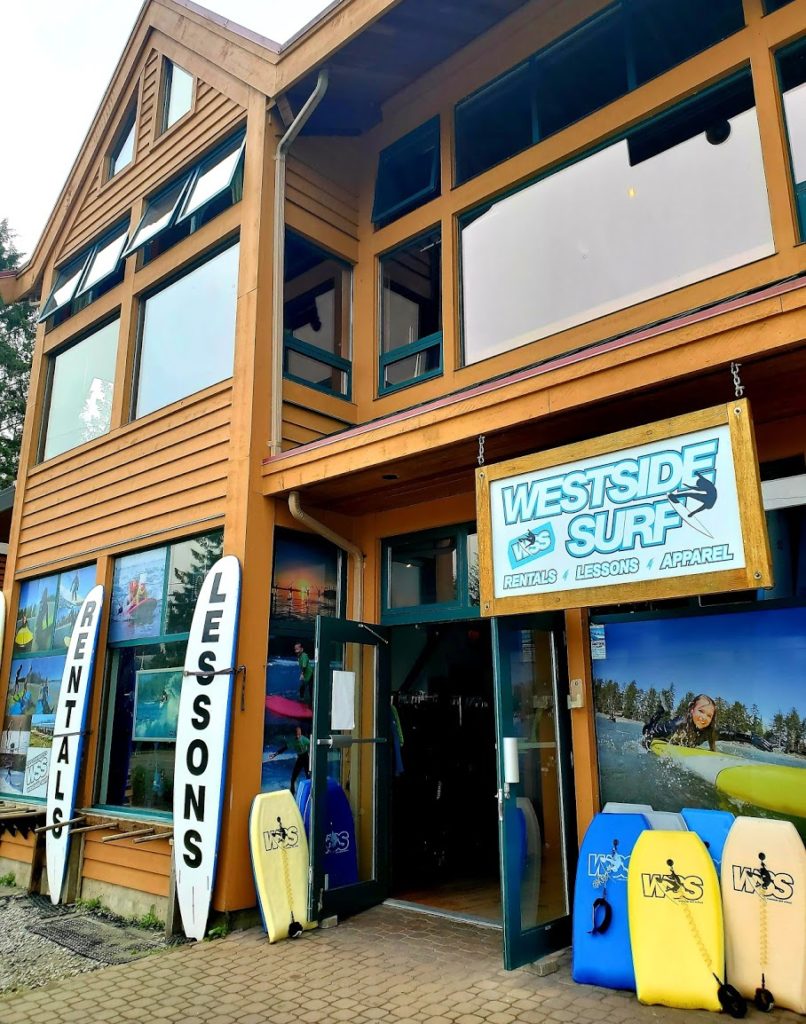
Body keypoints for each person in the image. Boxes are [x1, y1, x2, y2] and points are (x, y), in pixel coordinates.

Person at [642, 693, 718, 751]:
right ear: (692, 709)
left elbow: (727, 734)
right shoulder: (677, 724)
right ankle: (660, 711)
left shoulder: (710, 729)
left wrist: (713, 750)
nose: (704, 717)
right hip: (661, 734)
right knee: (647, 729)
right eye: (701, 711)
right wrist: (647, 748)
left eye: (709, 715)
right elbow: (650, 733)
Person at [269, 726, 310, 794]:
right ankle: (292, 793)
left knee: (308, 776)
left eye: (299, 734)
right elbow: (284, 748)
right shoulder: (293, 741)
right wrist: (275, 754)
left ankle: (310, 792)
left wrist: (311, 754)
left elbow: (312, 745)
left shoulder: (304, 739)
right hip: (300, 758)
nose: (298, 736)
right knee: (293, 777)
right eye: (297, 734)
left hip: (306, 758)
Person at [295, 641, 314, 707]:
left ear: (302, 649)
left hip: (310, 674)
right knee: (302, 688)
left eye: (297, 648)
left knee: (310, 689)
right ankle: (302, 700)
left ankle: (311, 703)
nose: (296, 650)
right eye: (295, 649)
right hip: (306, 675)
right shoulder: (299, 656)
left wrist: (302, 674)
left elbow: (304, 665)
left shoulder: (304, 655)